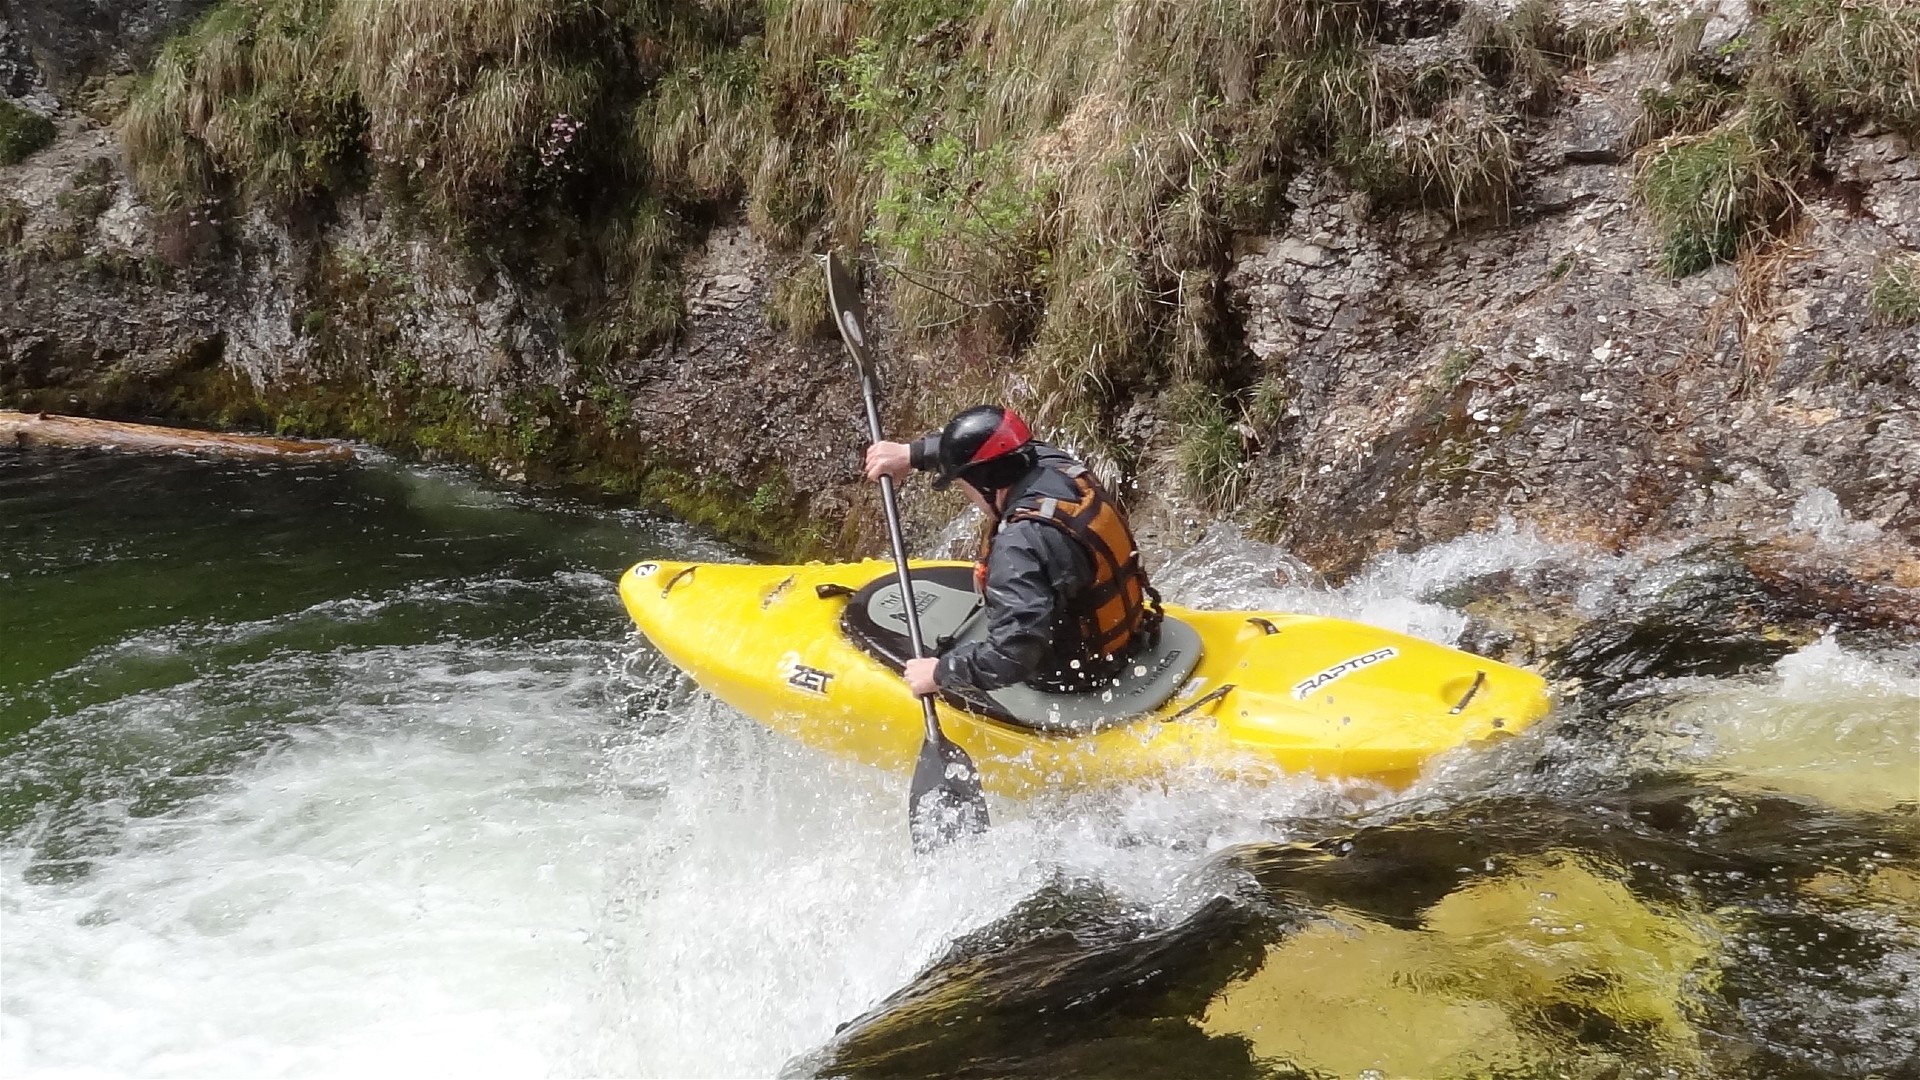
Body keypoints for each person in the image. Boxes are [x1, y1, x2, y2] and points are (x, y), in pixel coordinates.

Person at [864, 405, 1162, 701]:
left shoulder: (1018, 546)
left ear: (984, 484)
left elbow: (1012, 656)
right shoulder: (1051, 463)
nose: (967, 496)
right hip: (1129, 638)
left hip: (1079, 677)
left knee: (1011, 646)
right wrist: (912, 454)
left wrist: (941, 672)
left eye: (963, 486)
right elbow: (993, 442)